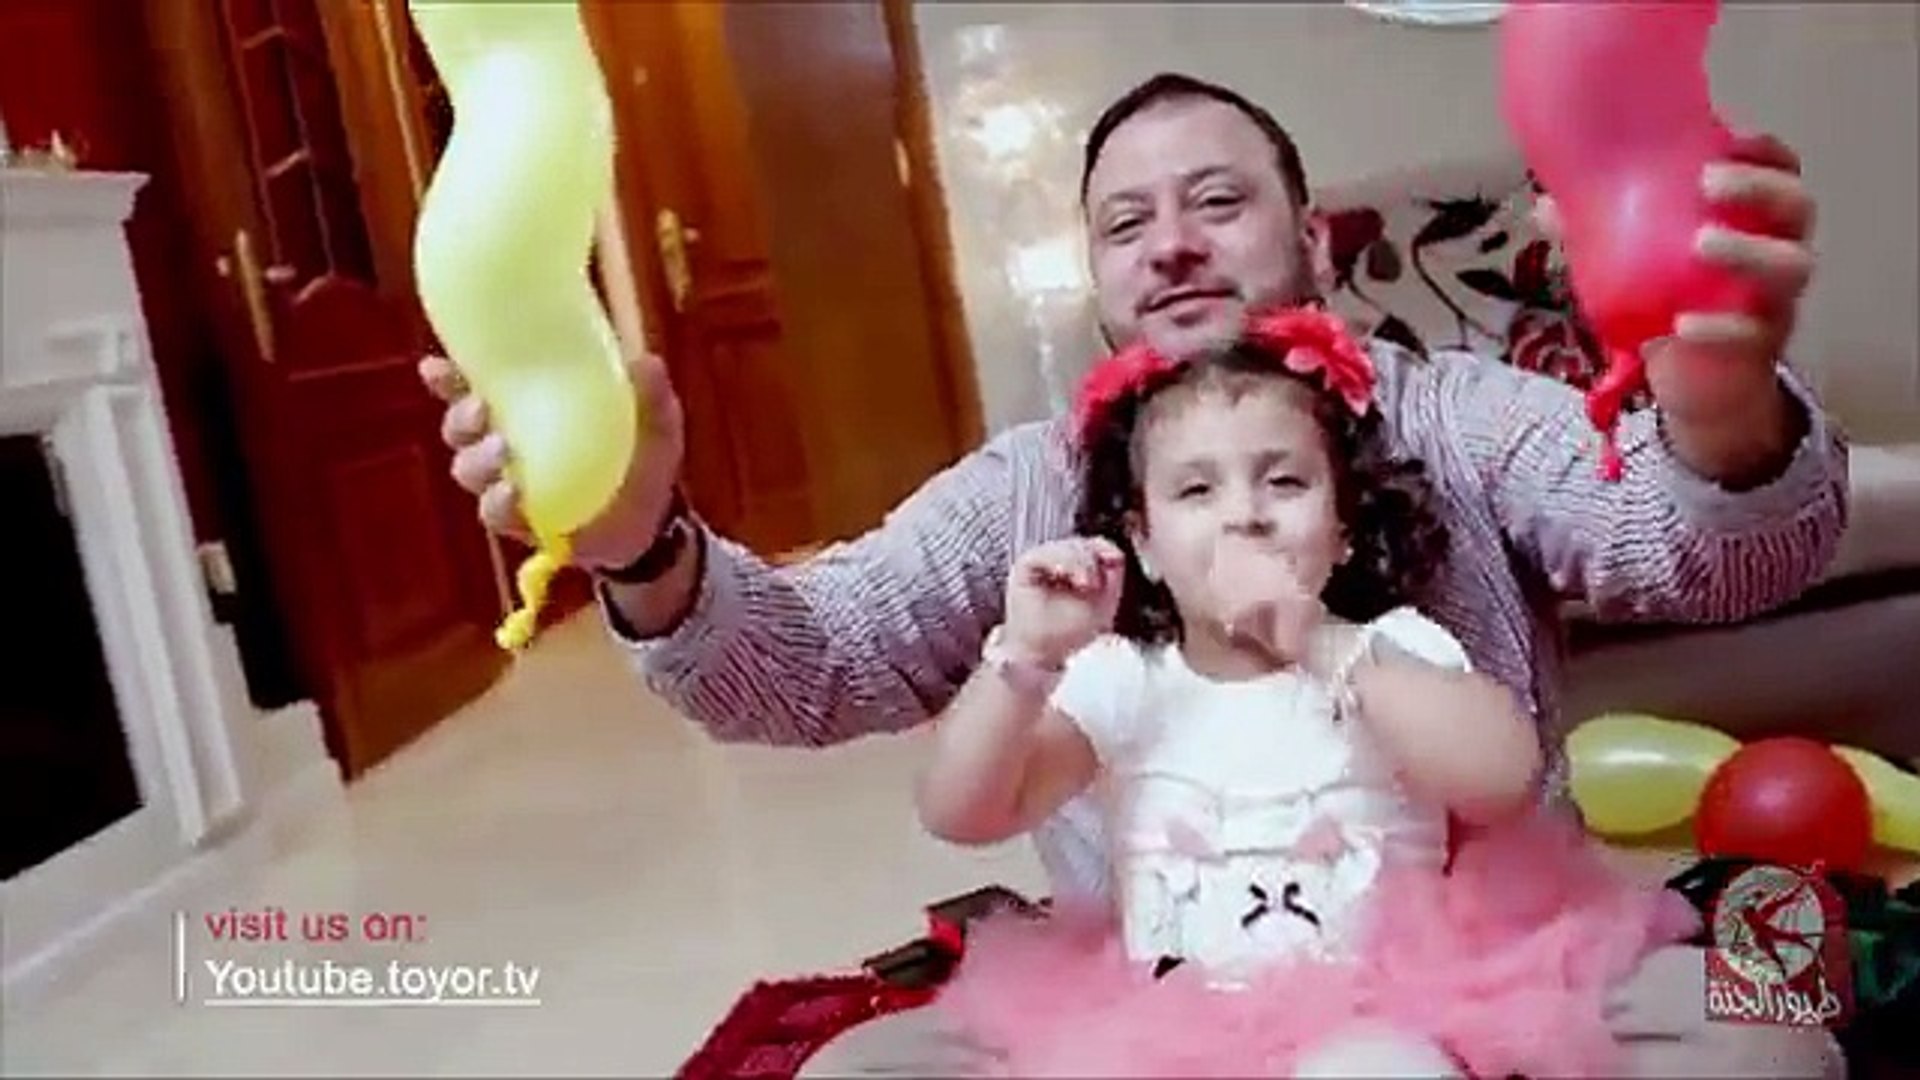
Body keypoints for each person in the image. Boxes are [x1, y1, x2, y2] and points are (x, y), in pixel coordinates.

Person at [422, 72, 1849, 1074]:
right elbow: (814, 663)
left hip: (1502, 963)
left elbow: (1710, 554)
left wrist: (1718, 401)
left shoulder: (1456, 416)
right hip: (1161, 990)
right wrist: (642, 546)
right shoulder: (1033, 488)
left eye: (1217, 202)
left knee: (1774, 1041)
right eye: (1125, 223)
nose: (1170, 244)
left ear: (1313, 242)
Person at [907, 306, 1695, 1077]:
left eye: (1284, 482)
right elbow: (962, 811)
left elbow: (1502, 777)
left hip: (1383, 1007)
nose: (1245, 516)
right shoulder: (1121, 678)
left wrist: (1319, 641)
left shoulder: (1390, 650)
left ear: (1342, 531)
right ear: (1143, 544)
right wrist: (1025, 659)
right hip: (1172, 1022)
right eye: (1196, 491)